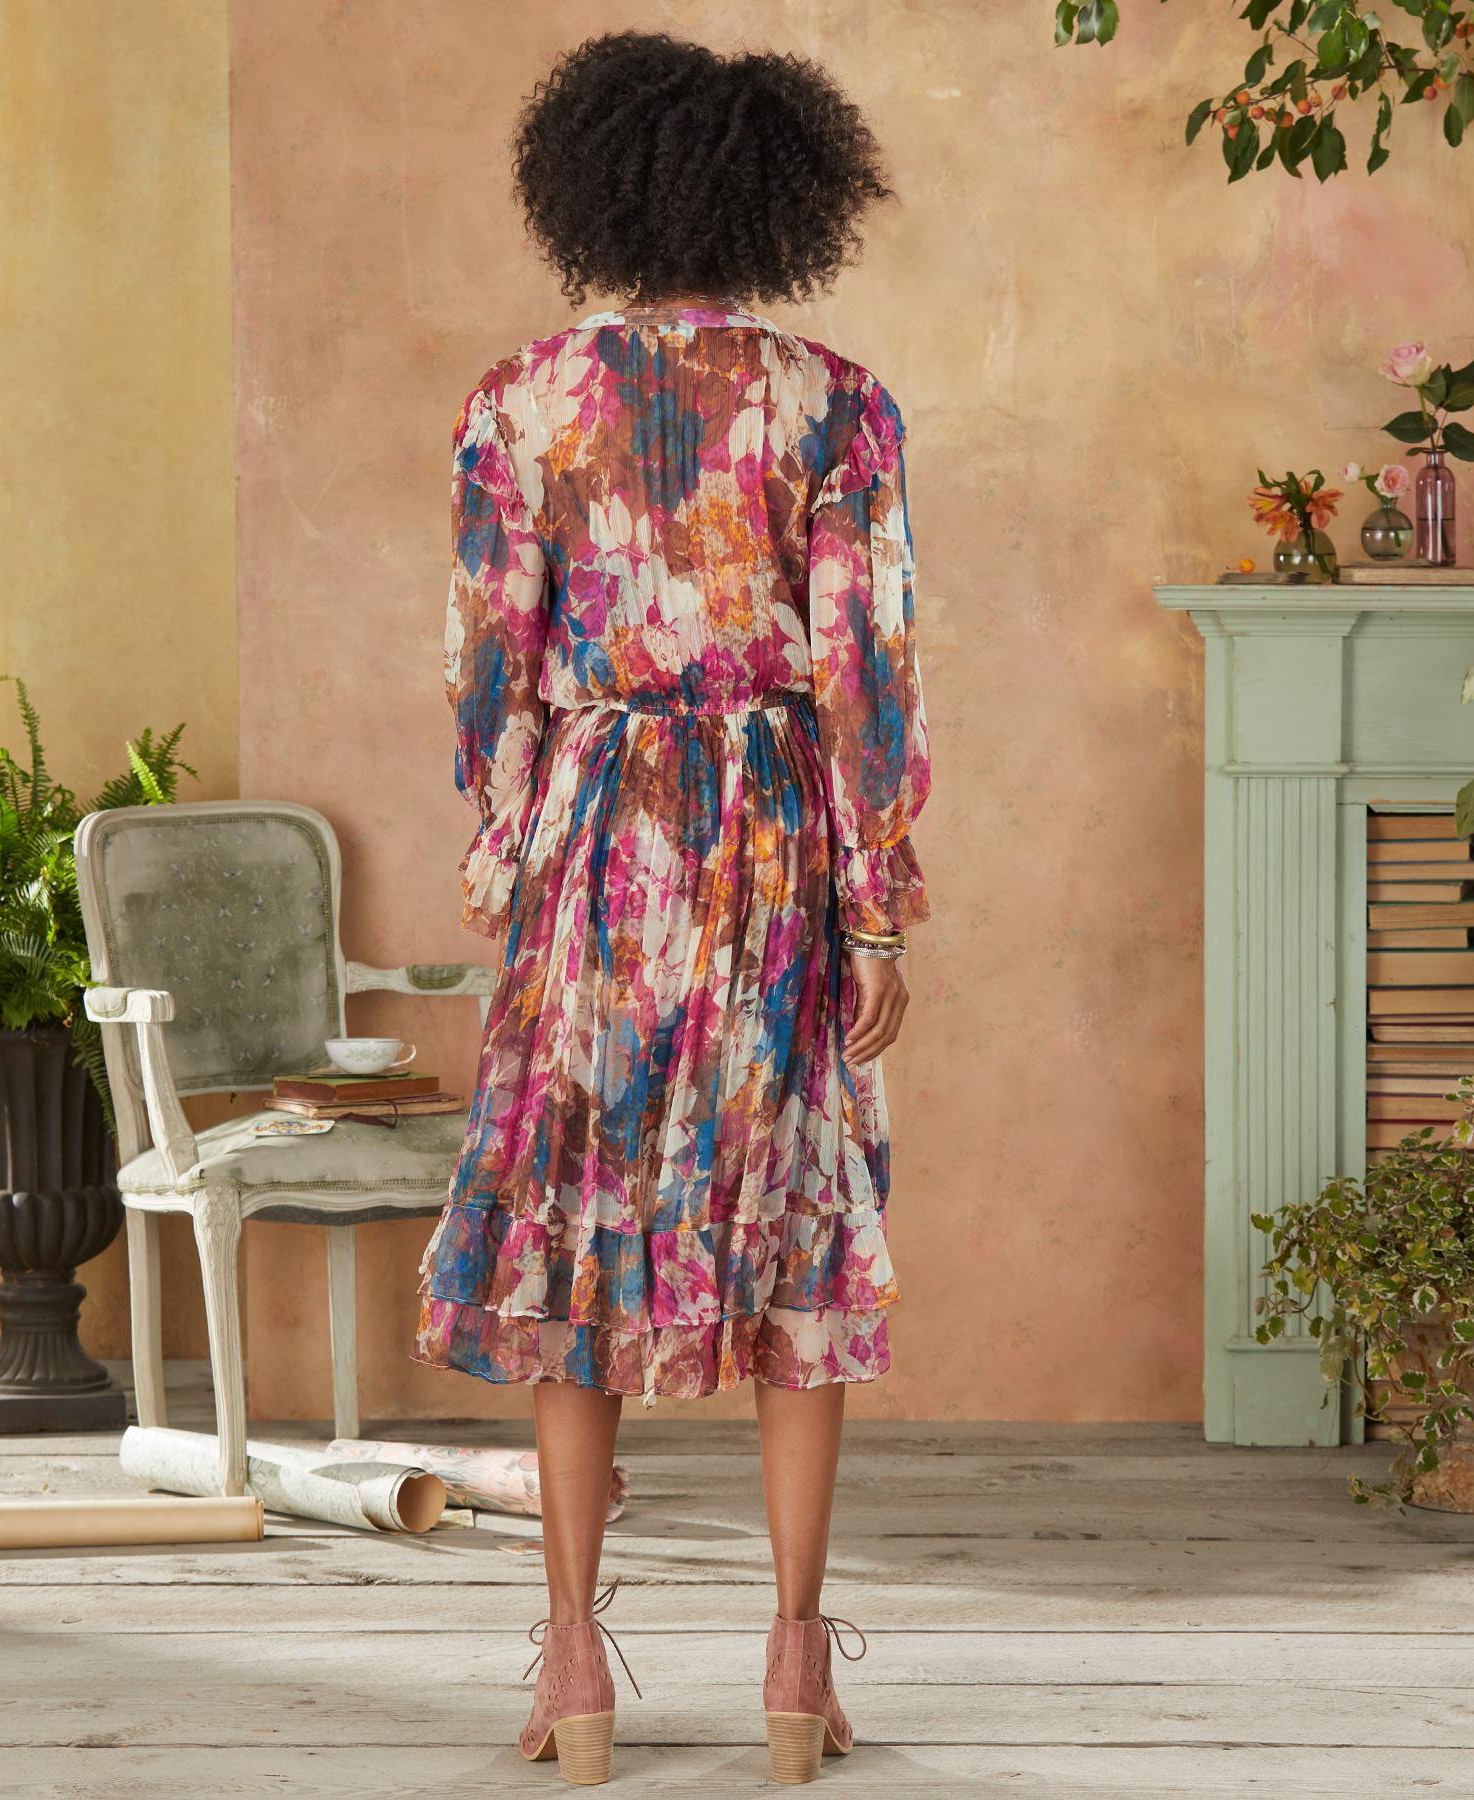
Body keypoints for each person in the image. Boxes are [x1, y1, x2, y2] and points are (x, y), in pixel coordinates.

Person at [411, 30, 930, 1787]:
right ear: (783, 198)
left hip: (595, 839)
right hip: (777, 839)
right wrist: (875, 904)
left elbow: (489, 671)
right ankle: (795, 1660)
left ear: (593, 191)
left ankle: (574, 1663)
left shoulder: (522, 401)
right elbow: (867, 675)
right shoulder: (838, 403)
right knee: (801, 1221)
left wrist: (511, 855)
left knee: (577, 1225)